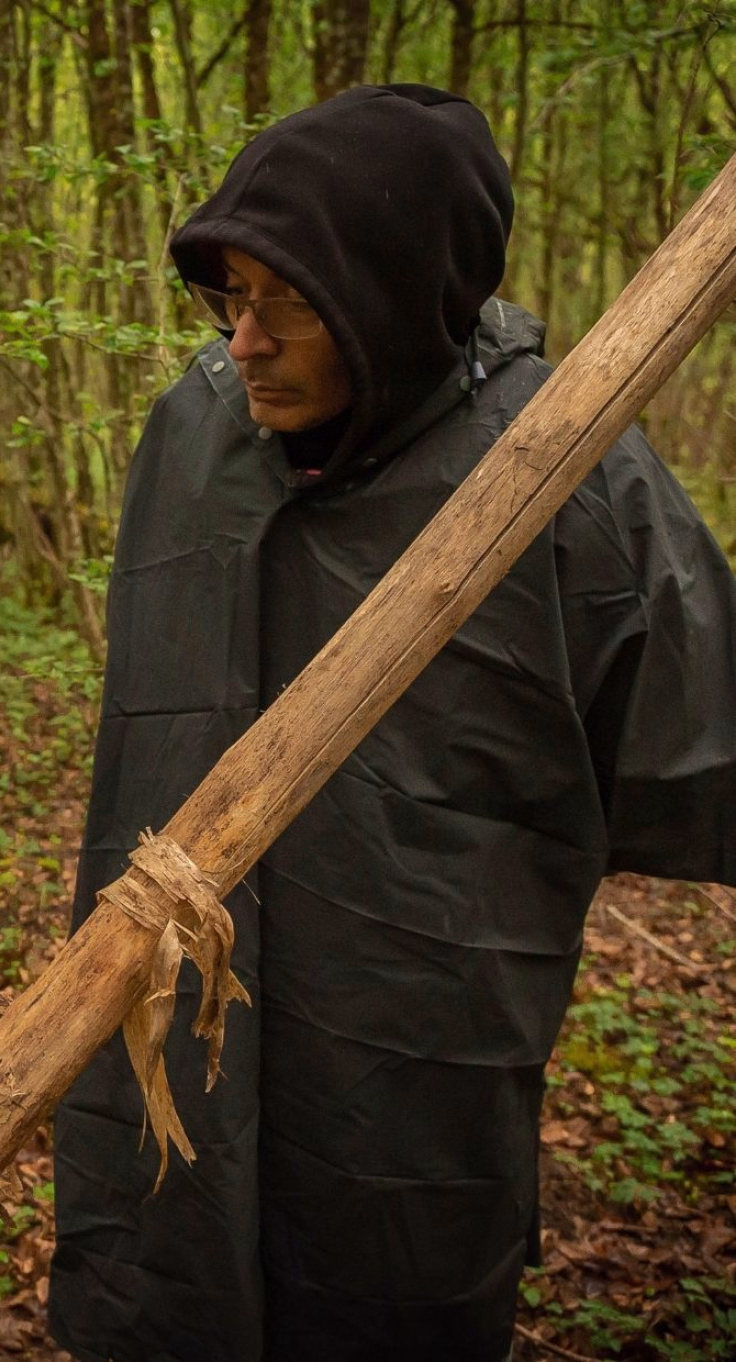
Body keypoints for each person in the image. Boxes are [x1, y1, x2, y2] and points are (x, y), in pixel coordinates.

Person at [50, 84, 736, 1362]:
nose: (241, 342)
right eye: (227, 297)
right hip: (152, 1001)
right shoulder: (197, 427)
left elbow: (700, 754)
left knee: (381, 1294)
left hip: (407, 1041)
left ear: (402, 296)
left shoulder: (571, 476)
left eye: (288, 303)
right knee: (160, 1279)